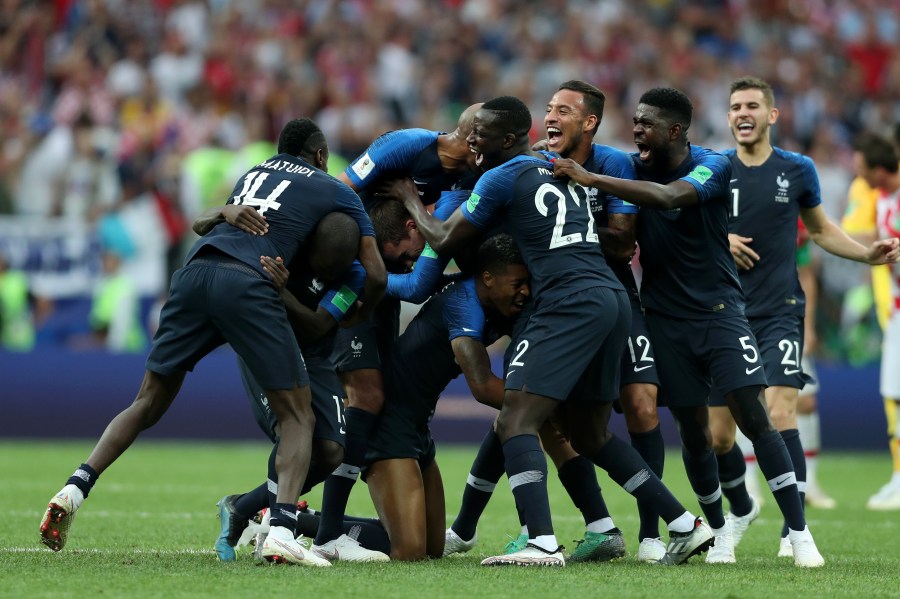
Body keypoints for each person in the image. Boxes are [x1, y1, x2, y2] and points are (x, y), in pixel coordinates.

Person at [38, 118, 386, 568]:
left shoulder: (252, 172)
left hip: (192, 273)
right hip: (247, 283)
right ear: (320, 156)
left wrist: (223, 211)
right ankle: (280, 529)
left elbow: (204, 222)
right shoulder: (334, 189)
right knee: (299, 416)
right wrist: (360, 312)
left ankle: (75, 486)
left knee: (146, 401)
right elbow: (375, 274)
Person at [399, 96, 711, 567]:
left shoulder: (502, 176)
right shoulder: (554, 166)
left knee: (516, 421)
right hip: (611, 300)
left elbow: (443, 238)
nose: (471, 142)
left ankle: (541, 541)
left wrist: (406, 196)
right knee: (590, 435)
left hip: (565, 302)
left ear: (507, 140)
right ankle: (685, 525)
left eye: (479, 134)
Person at [552, 87, 826, 567]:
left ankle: (799, 534)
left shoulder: (713, 165)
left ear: (675, 130)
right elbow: (594, 160)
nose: (636, 129)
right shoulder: (629, 167)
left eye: (646, 123)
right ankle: (717, 533)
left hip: (720, 314)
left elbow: (669, 196)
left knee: (754, 417)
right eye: (634, 121)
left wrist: (589, 176)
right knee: (695, 434)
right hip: (663, 321)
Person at [444, 80, 664, 563]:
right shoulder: (537, 166)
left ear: (588, 123)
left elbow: (625, 245)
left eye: (562, 110)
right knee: (556, 425)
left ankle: (568, 536)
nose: (551, 118)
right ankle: (628, 524)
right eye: (547, 108)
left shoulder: (609, 166)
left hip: (577, 301)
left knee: (549, 415)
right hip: (554, 301)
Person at [704, 76, 899, 558]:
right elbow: (682, 230)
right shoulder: (711, 169)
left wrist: (865, 255)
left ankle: (796, 529)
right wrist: (719, 239)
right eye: (734, 107)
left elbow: (820, 230)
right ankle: (743, 507)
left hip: (779, 311)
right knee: (718, 434)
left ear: (772, 116)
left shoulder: (797, 169)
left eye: (752, 105)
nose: (742, 113)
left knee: (781, 410)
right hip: (726, 314)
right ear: (728, 117)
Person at [311, 104, 483, 558]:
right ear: (468, 138)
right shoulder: (406, 146)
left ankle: (286, 515)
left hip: (379, 288)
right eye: (486, 146)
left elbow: (426, 264)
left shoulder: (464, 182)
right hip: (353, 278)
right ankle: (325, 531)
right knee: (366, 396)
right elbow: (337, 190)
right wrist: (351, 259)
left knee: (428, 548)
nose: (491, 159)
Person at [189, 204, 390, 563]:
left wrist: (282, 291)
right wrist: (224, 211)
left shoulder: (353, 274)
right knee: (293, 431)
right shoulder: (284, 245)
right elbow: (199, 225)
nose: (329, 274)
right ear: (312, 246)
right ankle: (279, 529)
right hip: (267, 346)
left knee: (331, 452)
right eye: (324, 265)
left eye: (337, 268)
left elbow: (318, 325)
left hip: (315, 355)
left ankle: (244, 507)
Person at [364, 233, 528, 560]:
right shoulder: (463, 305)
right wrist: (550, 408)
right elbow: (483, 387)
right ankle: (302, 520)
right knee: (410, 551)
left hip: (418, 426)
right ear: (488, 278)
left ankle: (337, 524)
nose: (526, 291)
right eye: (518, 283)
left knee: (432, 549)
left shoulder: (493, 301)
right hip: (389, 425)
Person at [851, 132, 900, 510]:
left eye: (862, 168)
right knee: (894, 395)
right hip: (895, 310)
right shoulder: (884, 199)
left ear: (879, 170)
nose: (857, 175)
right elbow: (875, 235)